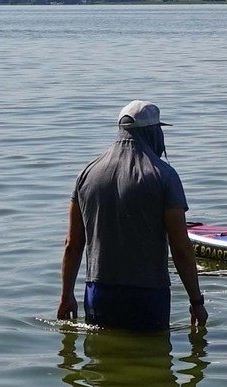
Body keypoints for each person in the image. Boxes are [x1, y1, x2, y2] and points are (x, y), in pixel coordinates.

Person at [58, 101, 209, 332]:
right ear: (153, 132)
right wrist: (196, 301)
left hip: (98, 292)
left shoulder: (87, 174)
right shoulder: (164, 176)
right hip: (148, 295)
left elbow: (72, 244)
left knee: (99, 361)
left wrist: (66, 295)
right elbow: (180, 249)